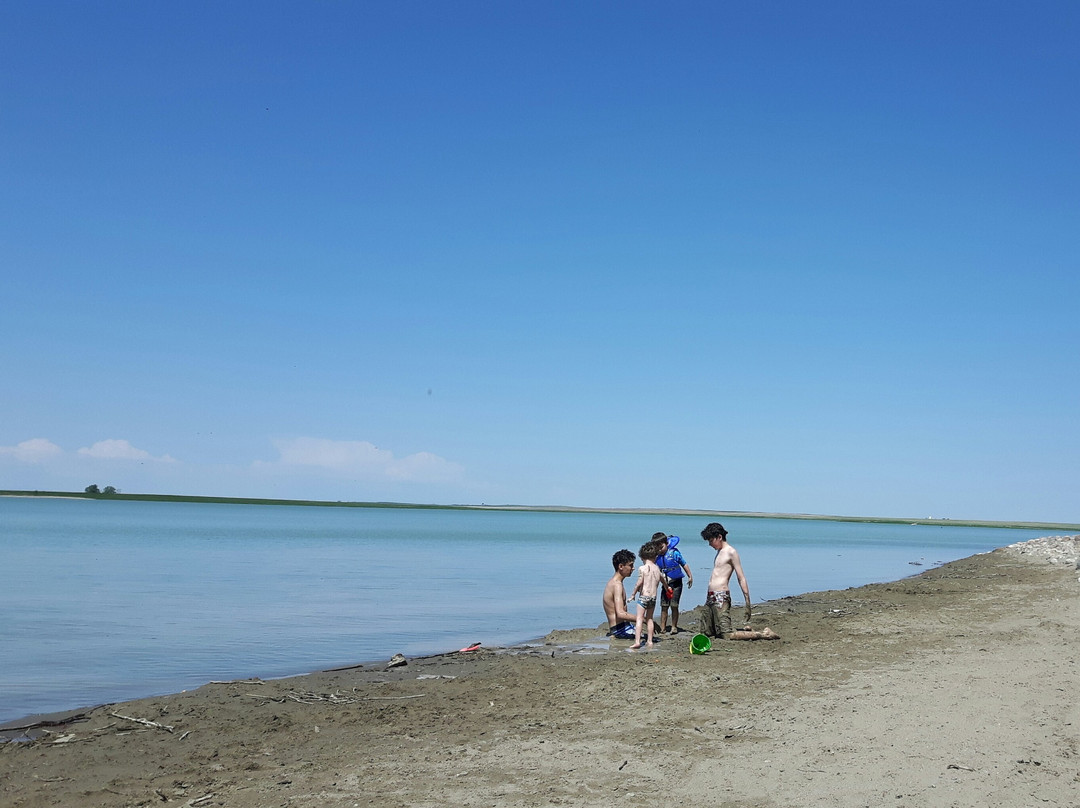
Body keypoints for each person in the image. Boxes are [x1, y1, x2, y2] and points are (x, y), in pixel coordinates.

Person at [700, 522, 779, 641]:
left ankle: (764, 634)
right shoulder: (719, 552)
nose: (710, 544)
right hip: (710, 597)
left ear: (719, 537)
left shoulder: (731, 552)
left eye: (711, 540)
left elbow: (741, 577)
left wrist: (747, 601)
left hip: (721, 596)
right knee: (706, 632)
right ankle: (748, 631)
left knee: (726, 634)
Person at [653, 532, 693, 634]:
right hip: (666, 585)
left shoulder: (674, 553)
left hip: (676, 583)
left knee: (674, 605)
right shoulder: (657, 557)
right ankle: (663, 628)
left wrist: (690, 576)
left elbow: (684, 564)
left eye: (661, 547)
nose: (660, 550)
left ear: (666, 543)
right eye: (657, 548)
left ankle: (674, 627)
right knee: (664, 606)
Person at [629, 540, 663, 649]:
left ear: (643, 557)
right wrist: (667, 588)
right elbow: (663, 580)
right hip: (653, 598)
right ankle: (650, 641)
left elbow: (639, 582)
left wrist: (633, 594)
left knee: (639, 618)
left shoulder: (642, 568)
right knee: (649, 619)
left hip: (644, 597)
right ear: (655, 556)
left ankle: (637, 641)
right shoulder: (657, 569)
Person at [603, 549, 639, 639]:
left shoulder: (613, 582)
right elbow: (620, 613)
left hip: (621, 627)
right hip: (619, 630)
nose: (633, 568)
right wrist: (643, 619)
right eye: (631, 565)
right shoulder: (617, 585)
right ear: (621, 566)